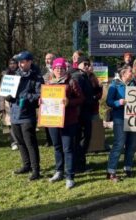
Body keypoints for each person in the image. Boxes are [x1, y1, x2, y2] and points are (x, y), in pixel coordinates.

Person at [45, 58, 84, 189]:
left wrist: (69, 102)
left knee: (68, 149)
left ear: (65, 69)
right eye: (57, 68)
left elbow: (81, 98)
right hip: (52, 120)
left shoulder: (71, 81)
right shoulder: (49, 83)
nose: (59, 70)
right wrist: (41, 102)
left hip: (68, 120)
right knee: (57, 147)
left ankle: (70, 176)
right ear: (53, 69)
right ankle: (59, 171)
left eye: (61, 68)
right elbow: (45, 98)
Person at [6, 51, 43, 181]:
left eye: (23, 62)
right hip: (15, 114)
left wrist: (26, 97)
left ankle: (36, 170)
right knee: (20, 142)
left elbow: (40, 95)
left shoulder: (36, 77)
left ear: (29, 62)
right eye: (19, 62)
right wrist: (8, 96)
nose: (20, 64)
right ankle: (26, 165)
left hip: (27, 115)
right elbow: (9, 94)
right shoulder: (14, 76)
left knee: (30, 143)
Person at [106, 66, 136, 181]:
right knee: (119, 144)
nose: (132, 73)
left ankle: (128, 167)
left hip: (134, 118)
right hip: (120, 118)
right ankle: (111, 171)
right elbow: (108, 101)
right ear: (123, 74)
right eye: (130, 71)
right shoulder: (114, 85)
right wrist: (118, 102)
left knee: (132, 144)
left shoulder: (134, 84)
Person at [71, 56, 95, 172]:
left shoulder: (84, 76)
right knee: (82, 139)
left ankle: (80, 163)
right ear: (78, 64)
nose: (86, 66)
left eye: (88, 64)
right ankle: (79, 165)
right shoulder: (78, 77)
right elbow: (79, 96)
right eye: (84, 64)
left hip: (85, 112)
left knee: (84, 138)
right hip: (81, 113)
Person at [0, 58, 19, 150]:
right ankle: (13, 142)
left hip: (19, 101)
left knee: (19, 122)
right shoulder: (5, 75)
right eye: (11, 63)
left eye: (14, 63)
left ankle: (20, 141)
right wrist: (1, 104)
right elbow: (2, 91)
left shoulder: (21, 74)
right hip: (7, 102)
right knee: (10, 123)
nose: (12, 65)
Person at [41, 53, 55, 147]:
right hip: (45, 97)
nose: (47, 60)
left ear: (54, 59)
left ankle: (55, 139)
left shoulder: (58, 69)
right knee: (46, 120)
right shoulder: (42, 70)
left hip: (55, 96)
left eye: (49, 59)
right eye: (46, 59)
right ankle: (48, 140)